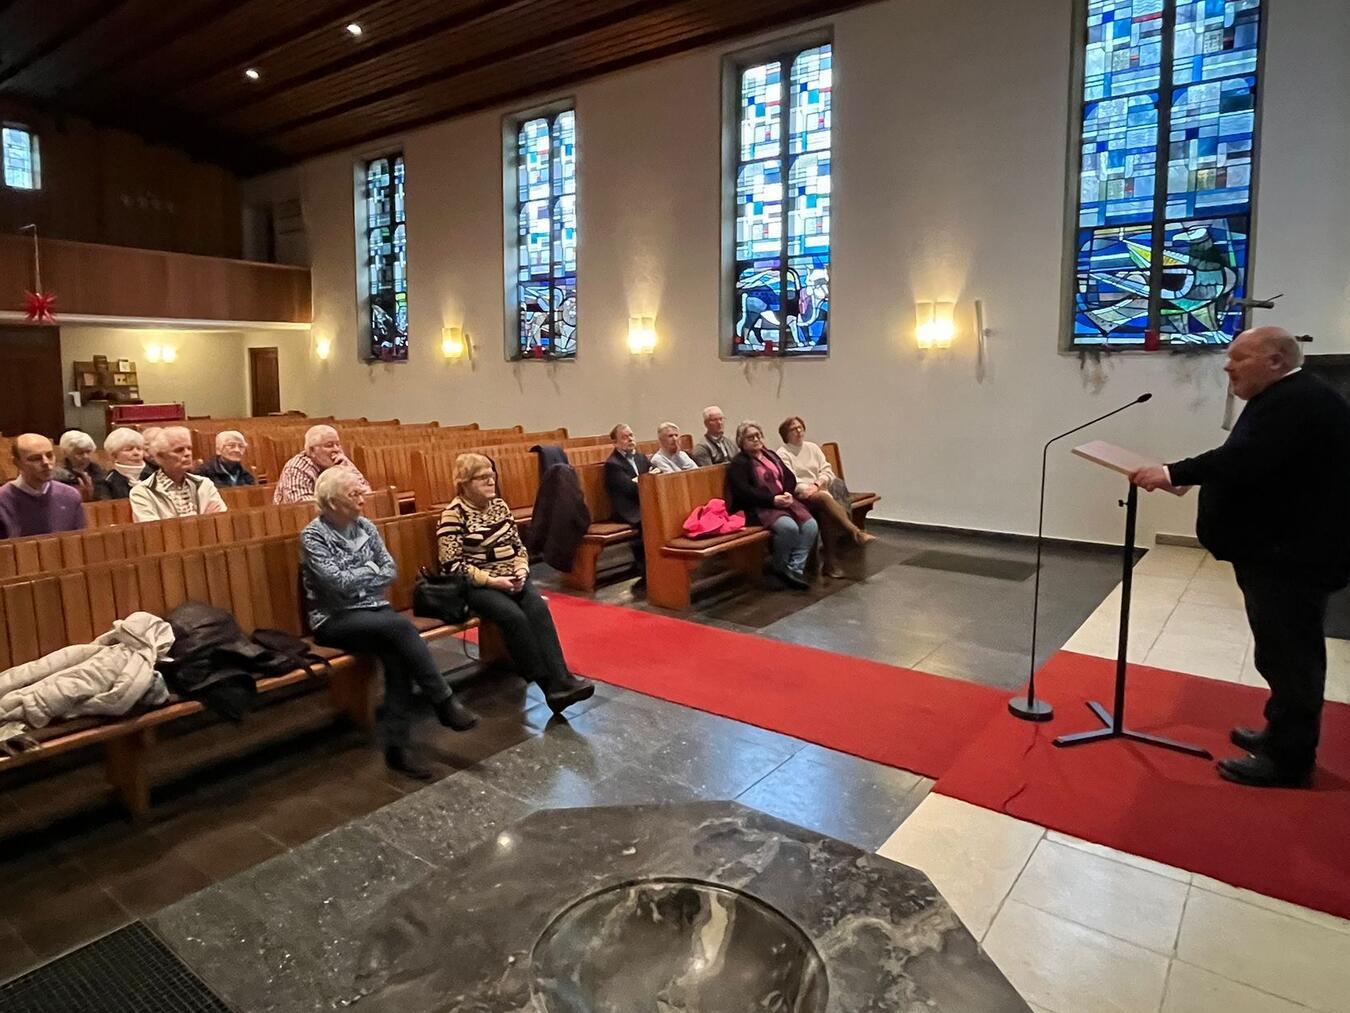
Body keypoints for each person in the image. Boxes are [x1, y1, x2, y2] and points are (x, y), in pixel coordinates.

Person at [1131, 326, 1350, 788]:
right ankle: (1279, 735)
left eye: (1239, 357)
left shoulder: (1297, 402)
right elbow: (1251, 462)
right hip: (1280, 552)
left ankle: (1289, 760)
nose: (1228, 365)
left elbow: (1244, 459)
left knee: (1290, 656)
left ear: (1275, 361)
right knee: (1280, 652)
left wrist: (1171, 472)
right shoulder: (1288, 398)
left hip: (1292, 556)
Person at [301, 468, 478, 778]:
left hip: (373, 612)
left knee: (398, 655)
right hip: (334, 619)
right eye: (353, 495)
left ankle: (398, 747)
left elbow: (389, 570)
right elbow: (336, 583)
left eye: (360, 493)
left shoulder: (365, 527)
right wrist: (366, 574)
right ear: (331, 502)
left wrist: (360, 577)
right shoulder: (313, 536)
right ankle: (443, 701)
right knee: (402, 629)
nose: (361, 500)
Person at [438, 453, 594, 715]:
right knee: (513, 617)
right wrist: (493, 581)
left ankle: (562, 678)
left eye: (492, 475)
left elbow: (518, 547)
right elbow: (451, 566)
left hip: (511, 576)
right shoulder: (453, 515)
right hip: (477, 585)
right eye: (482, 477)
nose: (491, 481)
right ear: (464, 482)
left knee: (538, 610)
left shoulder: (499, 506)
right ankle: (548, 686)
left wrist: (521, 570)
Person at [726, 420, 819, 590]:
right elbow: (744, 492)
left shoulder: (770, 455)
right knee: (788, 528)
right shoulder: (739, 463)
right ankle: (779, 567)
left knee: (810, 525)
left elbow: (789, 477)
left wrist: (788, 494)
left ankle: (794, 569)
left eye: (758, 436)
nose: (755, 440)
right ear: (741, 441)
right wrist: (772, 500)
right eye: (750, 437)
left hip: (782, 502)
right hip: (759, 507)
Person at [777, 416, 874, 579]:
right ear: (785, 434)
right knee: (823, 498)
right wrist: (808, 489)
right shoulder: (783, 453)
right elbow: (790, 479)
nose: (799, 431)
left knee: (825, 513)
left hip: (818, 492)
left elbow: (827, 471)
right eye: (793, 429)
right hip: (799, 496)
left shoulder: (812, 448)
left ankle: (830, 563)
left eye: (800, 427)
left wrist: (818, 483)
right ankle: (853, 531)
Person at [129, 427, 228, 521]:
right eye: (179, 450)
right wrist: (203, 519)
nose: (187, 454)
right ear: (160, 457)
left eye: (189, 448)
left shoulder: (205, 484)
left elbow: (221, 520)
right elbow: (154, 532)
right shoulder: (142, 492)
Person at [0, 434, 87, 539]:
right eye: (35, 458)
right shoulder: (3, 500)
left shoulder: (70, 496)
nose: (46, 462)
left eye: (49, 455)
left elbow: (80, 541)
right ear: (17, 463)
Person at [603, 423, 653, 588]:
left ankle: (656, 565)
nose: (630, 439)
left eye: (631, 435)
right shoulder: (613, 464)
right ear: (615, 443)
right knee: (648, 522)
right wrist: (644, 481)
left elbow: (651, 478)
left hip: (643, 503)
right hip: (627, 508)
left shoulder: (640, 458)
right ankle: (647, 568)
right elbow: (630, 489)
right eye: (625, 437)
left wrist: (642, 481)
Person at [274, 425, 369, 504]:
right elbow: (302, 504)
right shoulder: (296, 467)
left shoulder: (342, 461)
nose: (336, 449)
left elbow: (367, 492)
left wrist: (346, 471)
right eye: (329, 445)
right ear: (312, 451)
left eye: (338, 444)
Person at [52, 431, 106, 501]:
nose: (85, 456)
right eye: (80, 453)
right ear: (66, 453)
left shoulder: (97, 471)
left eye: (88, 452)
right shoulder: (57, 477)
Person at [101, 428, 154, 500]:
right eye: (128, 449)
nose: (136, 453)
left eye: (139, 449)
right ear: (114, 455)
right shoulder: (107, 482)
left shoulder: (154, 476)